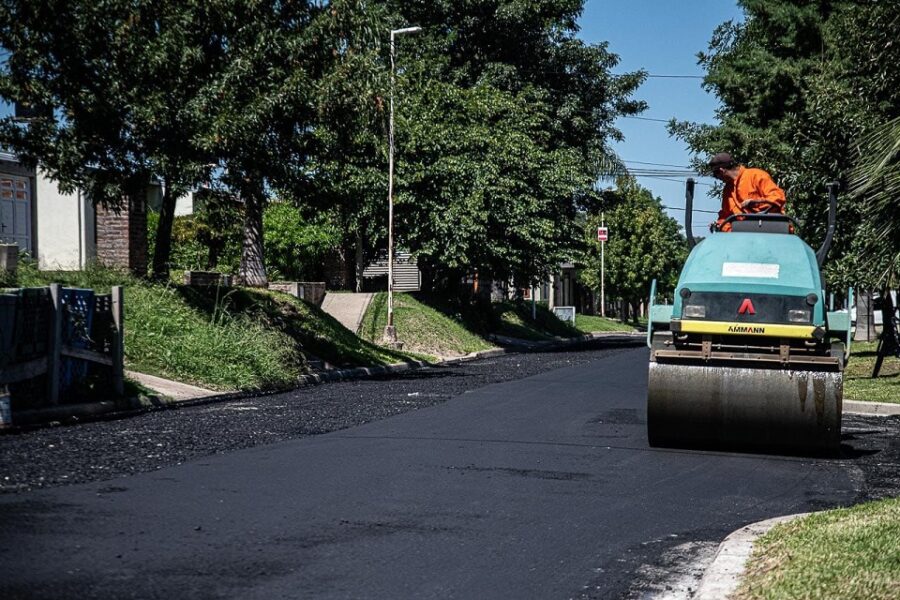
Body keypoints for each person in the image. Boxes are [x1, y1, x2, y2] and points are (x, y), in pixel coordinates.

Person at [708, 152, 786, 232]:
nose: (717, 178)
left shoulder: (756, 175)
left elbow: (778, 198)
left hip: (771, 229)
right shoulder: (728, 190)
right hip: (744, 235)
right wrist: (720, 225)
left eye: (715, 174)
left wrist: (755, 202)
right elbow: (725, 216)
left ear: (721, 171)